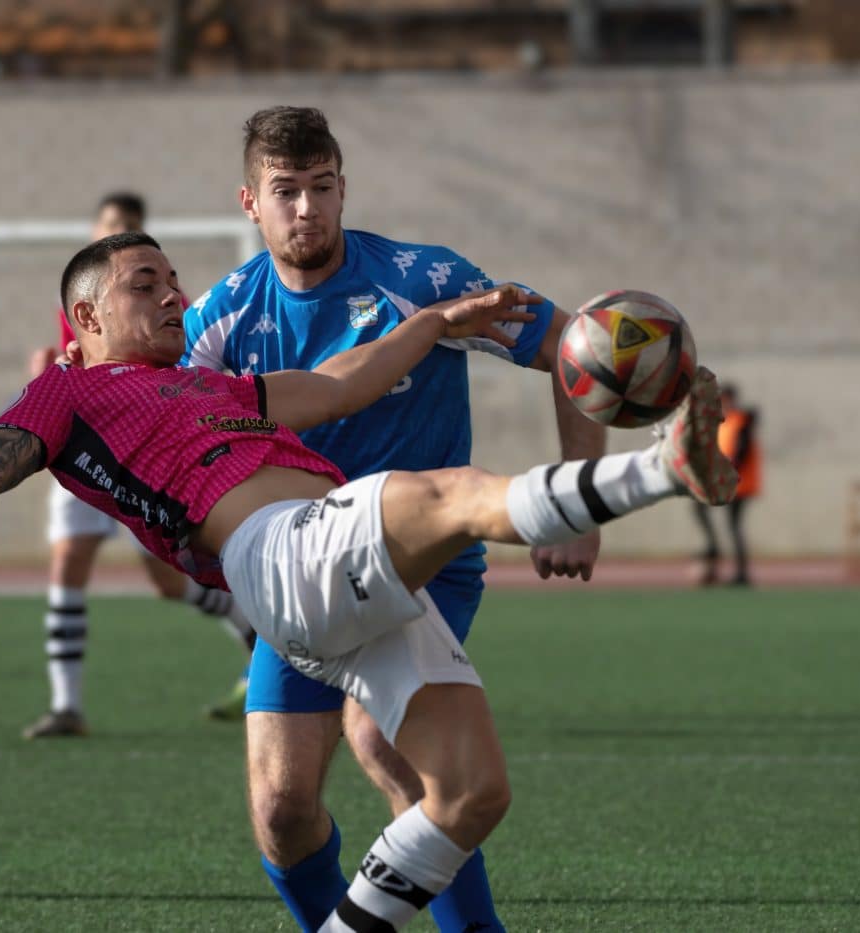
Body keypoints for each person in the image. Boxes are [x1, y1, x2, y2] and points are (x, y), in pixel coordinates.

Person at [0, 232, 737, 933]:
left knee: (471, 794)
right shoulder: (67, 389)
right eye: (144, 284)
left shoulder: (215, 385)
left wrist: (442, 320)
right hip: (277, 555)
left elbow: (347, 379)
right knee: (445, 492)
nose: (172, 296)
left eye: (173, 281)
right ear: (85, 316)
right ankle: (664, 469)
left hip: (330, 579)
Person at [181, 105, 604, 932]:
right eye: (286, 191)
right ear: (249, 203)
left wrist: (575, 499)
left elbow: (575, 345)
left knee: (386, 744)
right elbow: (166, 423)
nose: (307, 209)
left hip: (421, 565)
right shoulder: (221, 319)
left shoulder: (423, 280)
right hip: (302, 574)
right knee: (280, 806)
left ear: (343, 187)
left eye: (322, 188)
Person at [22, 191, 256, 738]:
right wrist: (50, 370)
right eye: (108, 226)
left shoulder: (168, 300)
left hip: (144, 453)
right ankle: (66, 705)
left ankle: (254, 626)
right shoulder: (80, 298)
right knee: (67, 567)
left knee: (169, 584)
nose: (114, 233)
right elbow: (73, 365)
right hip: (82, 449)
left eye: (126, 227)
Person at [691, 383, 760, 586]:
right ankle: (713, 549)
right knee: (699, 508)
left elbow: (740, 452)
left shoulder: (741, 421)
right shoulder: (723, 422)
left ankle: (741, 572)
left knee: (733, 525)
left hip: (738, 483)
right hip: (722, 481)